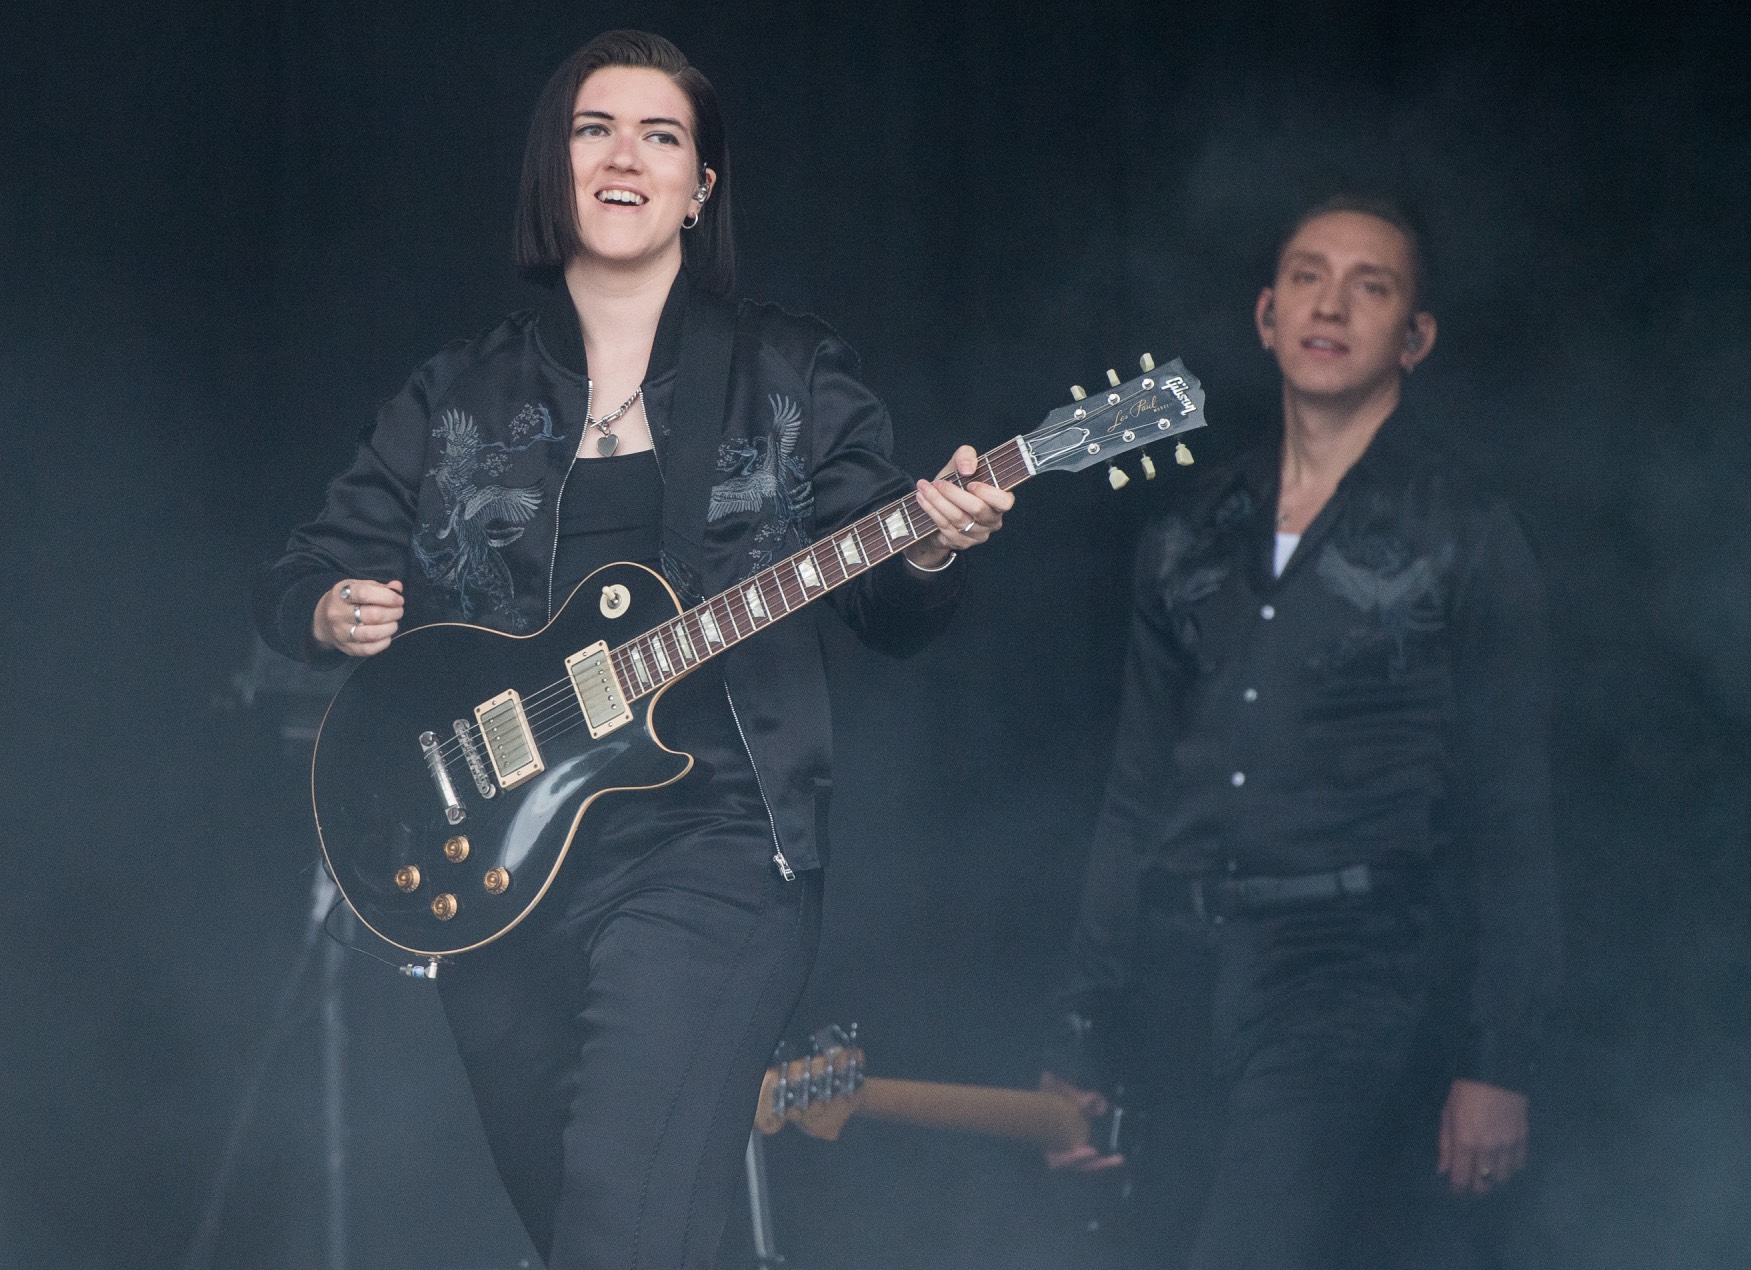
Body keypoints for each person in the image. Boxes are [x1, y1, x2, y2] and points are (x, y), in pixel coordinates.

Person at [253, 30, 1011, 1270]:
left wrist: (928, 545)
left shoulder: (787, 373)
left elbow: (890, 605)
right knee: (595, 1231)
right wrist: (330, 608)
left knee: (620, 1221)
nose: (623, 157)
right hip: (499, 872)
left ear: (699, 188)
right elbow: (299, 569)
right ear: (551, 170)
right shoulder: (456, 393)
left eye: (660, 136)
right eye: (593, 129)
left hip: (714, 842)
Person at [1041, 195, 1560, 1268]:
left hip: (1347, 969)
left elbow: (1511, 812)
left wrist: (1498, 1059)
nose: (1331, 304)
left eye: (1370, 285)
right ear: (1266, 315)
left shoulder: (1466, 534)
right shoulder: (1188, 531)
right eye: (1307, 277)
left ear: (1414, 337)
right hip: (1180, 970)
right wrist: (1083, 1031)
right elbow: (1133, 794)